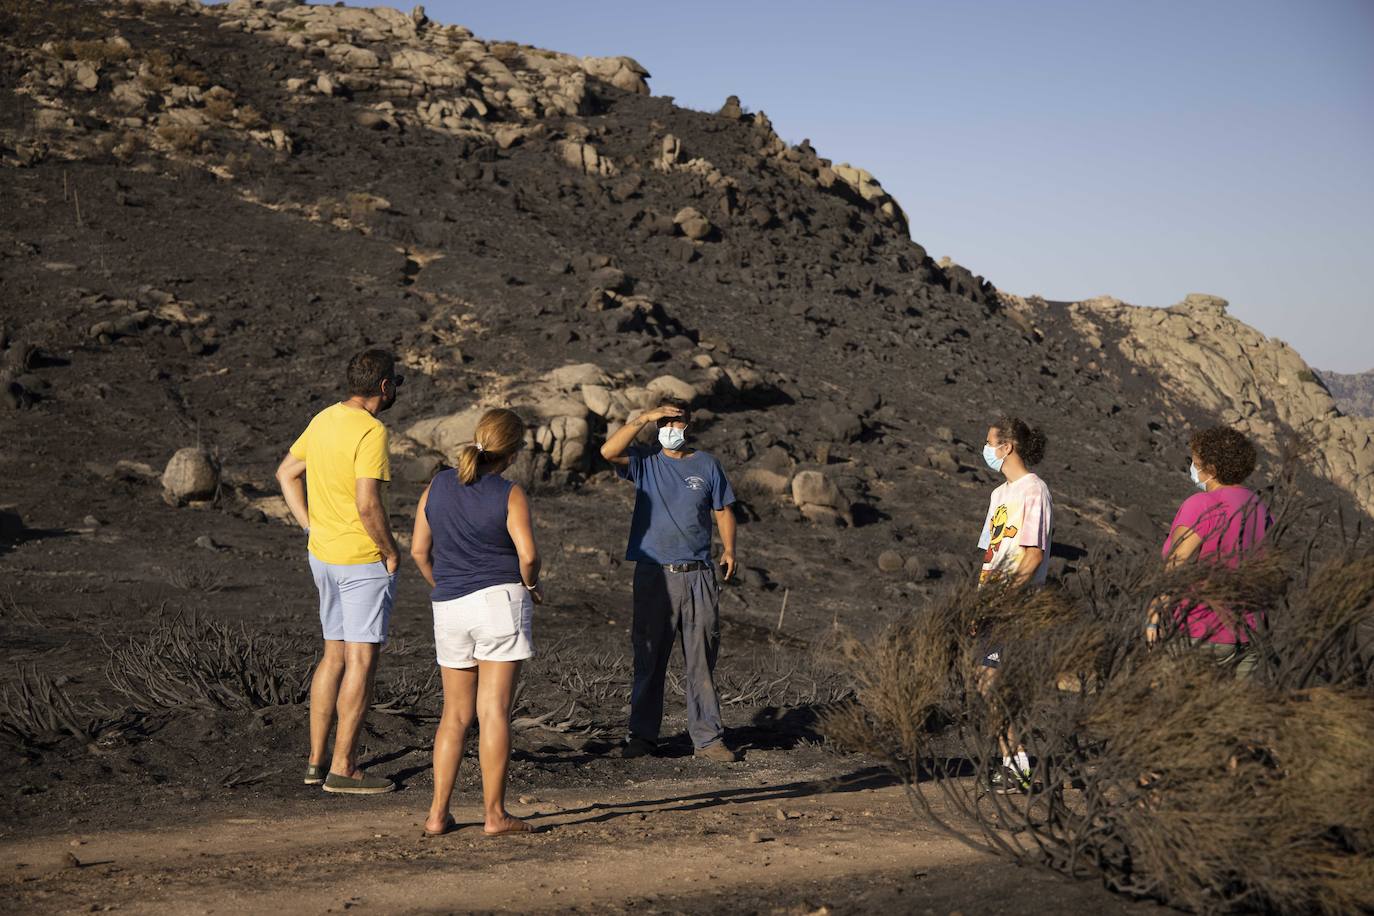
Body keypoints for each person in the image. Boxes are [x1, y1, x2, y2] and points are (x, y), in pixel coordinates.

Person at [276, 349, 403, 795]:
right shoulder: (372, 431)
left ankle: (315, 762)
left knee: (333, 656)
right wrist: (390, 551)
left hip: (323, 555)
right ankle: (344, 768)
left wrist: (310, 525)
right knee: (362, 661)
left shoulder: (324, 417)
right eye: (396, 383)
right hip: (360, 560)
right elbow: (368, 503)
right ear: (384, 387)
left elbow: (286, 473)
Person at [411, 408, 540, 837]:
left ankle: (436, 814)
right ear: (514, 451)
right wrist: (532, 585)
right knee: (494, 712)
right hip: (499, 601)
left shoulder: (438, 485)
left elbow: (418, 551)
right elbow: (528, 556)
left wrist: (444, 583)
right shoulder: (509, 493)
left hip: (448, 605)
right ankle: (495, 815)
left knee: (454, 715)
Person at [600, 398, 740, 762]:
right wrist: (644, 418)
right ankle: (643, 738)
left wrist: (729, 549)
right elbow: (607, 451)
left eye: (677, 423)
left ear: (688, 426)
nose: (671, 429)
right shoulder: (645, 462)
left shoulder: (707, 465)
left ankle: (708, 740)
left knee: (701, 659)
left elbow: (722, 510)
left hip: (698, 575)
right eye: (665, 422)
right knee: (648, 657)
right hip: (653, 575)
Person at [1146, 426, 1271, 676]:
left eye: (1196, 461)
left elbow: (1176, 565)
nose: (1193, 467)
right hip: (1251, 632)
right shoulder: (1259, 506)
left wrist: (1153, 616)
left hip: (1201, 630)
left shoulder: (1203, 504)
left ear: (1211, 469)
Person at [975, 415, 1053, 794]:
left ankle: (1018, 763)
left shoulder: (1032, 490)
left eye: (991, 442)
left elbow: (1032, 555)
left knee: (998, 683)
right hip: (992, 603)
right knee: (988, 683)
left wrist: (1005, 601)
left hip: (1016, 607)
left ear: (1007, 447)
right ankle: (1012, 762)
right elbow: (991, 554)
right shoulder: (999, 495)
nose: (986, 449)